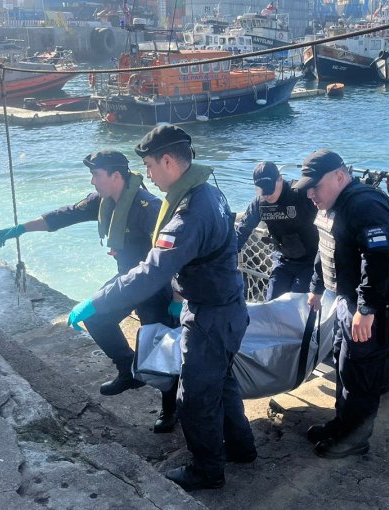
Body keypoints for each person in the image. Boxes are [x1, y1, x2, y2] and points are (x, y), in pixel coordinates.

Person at [67, 125, 256, 491]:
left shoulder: (189, 214)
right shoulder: (210, 191)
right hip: (229, 307)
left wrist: (96, 302)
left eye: (151, 166)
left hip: (210, 316)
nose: (149, 176)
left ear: (168, 161)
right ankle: (241, 448)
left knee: (195, 398)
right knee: (223, 383)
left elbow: (151, 272)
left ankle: (208, 471)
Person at [0, 150, 180, 433]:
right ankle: (128, 370)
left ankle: (170, 408)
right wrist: (21, 229)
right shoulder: (103, 202)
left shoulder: (148, 207)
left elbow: (174, 255)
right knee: (96, 317)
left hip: (155, 285)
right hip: (126, 280)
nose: (92, 181)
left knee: (159, 348)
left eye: (96, 175)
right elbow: (65, 215)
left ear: (116, 176)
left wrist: (177, 299)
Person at [296, 149, 389, 458]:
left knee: (362, 376)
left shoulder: (365, 205)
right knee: (344, 367)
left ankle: (355, 439)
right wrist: (316, 287)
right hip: (348, 302)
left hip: (373, 310)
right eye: (307, 188)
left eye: (315, 186)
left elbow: (380, 258)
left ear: (340, 177)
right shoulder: (333, 206)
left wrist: (367, 309)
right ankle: (343, 424)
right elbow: (326, 246)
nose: (310, 194)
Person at [235, 161, 319, 300]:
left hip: (310, 262)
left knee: (298, 305)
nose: (267, 196)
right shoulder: (259, 203)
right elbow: (243, 229)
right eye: (262, 191)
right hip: (283, 260)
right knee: (272, 303)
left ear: (280, 179)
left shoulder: (301, 194)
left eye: (270, 190)